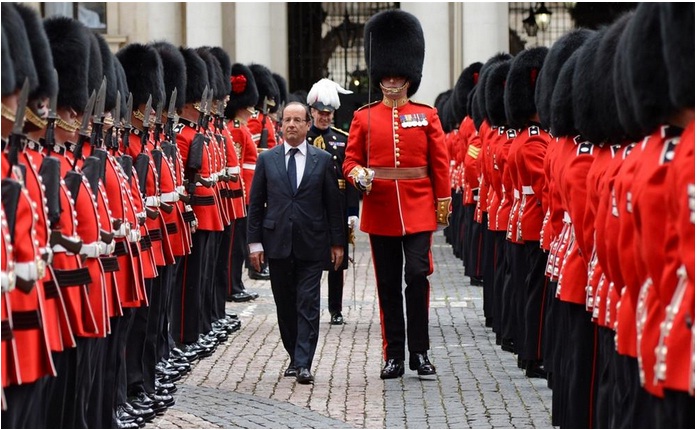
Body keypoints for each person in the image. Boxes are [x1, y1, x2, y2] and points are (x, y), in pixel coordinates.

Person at [343, 9, 451, 380]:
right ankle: (394, 355)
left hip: (419, 207)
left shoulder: (427, 115)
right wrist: (359, 175)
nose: (391, 81)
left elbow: (440, 163)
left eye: (397, 75)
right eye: (385, 75)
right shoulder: (364, 116)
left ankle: (420, 352)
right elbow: (350, 161)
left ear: (409, 76)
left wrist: (442, 202)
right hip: (381, 209)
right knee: (388, 283)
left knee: (418, 276)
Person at [247, 101, 345, 385]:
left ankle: (304, 362)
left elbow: (333, 205)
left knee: (308, 303)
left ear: (306, 125)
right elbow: (256, 205)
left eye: (297, 120)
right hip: (277, 243)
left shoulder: (323, 160)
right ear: (281, 125)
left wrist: (338, 243)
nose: (291, 125)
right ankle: (294, 355)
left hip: (312, 244)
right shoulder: (268, 160)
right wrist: (254, 244)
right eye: (287, 120)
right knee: (285, 305)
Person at [305, 78, 359, 326]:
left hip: (336, 206)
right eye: (320, 113)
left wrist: (352, 211)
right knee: (311, 258)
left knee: (337, 261)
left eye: (328, 114)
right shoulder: (302, 139)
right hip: (310, 205)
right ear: (312, 112)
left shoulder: (342, 139)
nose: (324, 118)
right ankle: (311, 305)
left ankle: (335, 308)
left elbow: (349, 177)